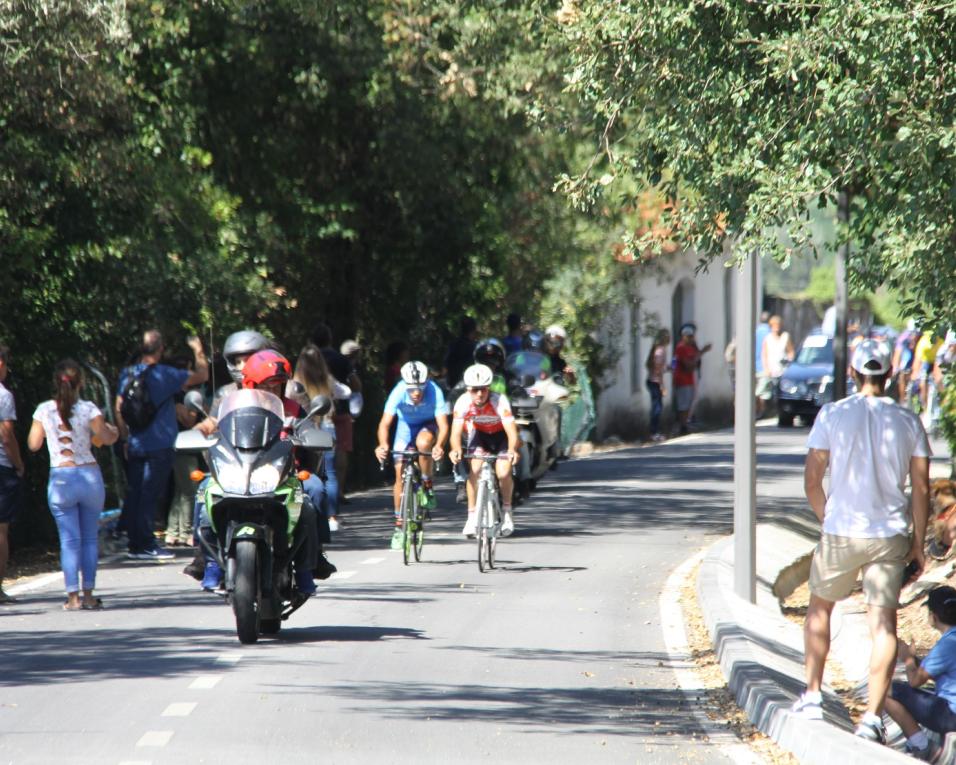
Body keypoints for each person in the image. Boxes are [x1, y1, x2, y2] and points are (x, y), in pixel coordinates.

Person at [791, 339, 930, 745]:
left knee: (820, 608)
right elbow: (920, 488)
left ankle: (813, 694)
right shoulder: (908, 421)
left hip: (841, 529)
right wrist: (918, 543)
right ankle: (871, 717)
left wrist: (827, 518)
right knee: (883, 624)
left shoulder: (833, 414)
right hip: (888, 534)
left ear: (852, 373)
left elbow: (812, 479)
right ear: (889, 375)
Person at [28, 360, 119, 610]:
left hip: (61, 478)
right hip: (88, 476)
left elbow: (33, 444)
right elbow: (107, 437)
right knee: (89, 538)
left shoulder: (43, 410)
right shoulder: (89, 409)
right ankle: (89, 595)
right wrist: (112, 431)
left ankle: (72, 598)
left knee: (68, 541)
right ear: (81, 383)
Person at [115, 330, 208, 560]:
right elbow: (202, 375)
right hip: (159, 444)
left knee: (137, 492)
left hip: (135, 442)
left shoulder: (127, 373)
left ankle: (135, 544)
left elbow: (119, 407)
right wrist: (198, 350)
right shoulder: (165, 375)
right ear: (161, 349)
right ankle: (146, 544)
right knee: (149, 493)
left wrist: (125, 437)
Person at [375, 361, 449, 549]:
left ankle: (427, 483)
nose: (416, 392)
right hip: (405, 429)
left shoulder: (434, 391)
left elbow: (443, 425)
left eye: (420, 388)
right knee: (399, 473)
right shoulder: (398, 391)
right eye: (412, 389)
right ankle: (399, 526)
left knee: (424, 444)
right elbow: (384, 424)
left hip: (427, 425)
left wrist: (439, 445)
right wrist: (383, 445)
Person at [884, 586, 956, 761]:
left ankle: (921, 745)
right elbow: (936, 671)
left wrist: (907, 659)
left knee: (884, 690)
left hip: (950, 715)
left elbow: (915, 681)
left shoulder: (947, 643)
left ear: (934, 616)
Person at [449, 364, 520, 538]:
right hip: (480, 436)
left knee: (503, 473)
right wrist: (456, 449)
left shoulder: (500, 401)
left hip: (501, 436)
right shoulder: (463, 402)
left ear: (488, 388)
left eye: (483, 389)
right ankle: (472, 517)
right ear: (468, 390)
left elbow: (512, 432)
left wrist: (512, 450)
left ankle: (507, 513)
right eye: (475, 390)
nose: (479, 394)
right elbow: (455, 434)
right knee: (475, 470)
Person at [290, 344, 350, 532]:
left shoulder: (295, 383)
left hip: (306, 430)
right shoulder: (326, 378)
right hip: (325, 427)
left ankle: (316, 521)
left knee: (313, 476)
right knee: (329, 473)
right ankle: (332, 517)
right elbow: (346, 392)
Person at [311, 323, 361, 506]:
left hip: (313, 412)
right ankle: (338, 490)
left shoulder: (308, 360)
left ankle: (320, 488)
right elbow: (355, 385)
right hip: (340, 410)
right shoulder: (341, 359)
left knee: (317, 451)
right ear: (330, 339)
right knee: (341, 449)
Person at [0, 345, 25, 603]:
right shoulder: (3, 395)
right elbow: (6, 436)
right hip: (1, 466)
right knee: (1, 529)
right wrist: (18, 464)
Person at [672, 323, 711, 435]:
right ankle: (682, 426)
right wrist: (701, 353)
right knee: (683, 404)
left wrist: (697, 355)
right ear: (683, 336)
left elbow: (694, 363)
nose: (690, 338)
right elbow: (688, 365)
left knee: (689, 403)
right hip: (682, 380)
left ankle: (686, 424)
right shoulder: (681, 348)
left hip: (690, 379)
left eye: (691, 336)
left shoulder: (691, 348)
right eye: (688, 336)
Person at [760, 314, 795, 402]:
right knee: (766, 393)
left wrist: (789, 362)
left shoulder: (785, 336)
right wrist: (766, 369)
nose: (776, 328)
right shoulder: (768, 338)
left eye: (778, 326)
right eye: (774, 326)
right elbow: (764, 354)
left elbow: (791, 351)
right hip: (771, 370)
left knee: (782, 393)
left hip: (783, 370)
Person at [645, 329, 670, 442]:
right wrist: (662, 386)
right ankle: (654, 432)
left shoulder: (656, 349)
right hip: (655, 381)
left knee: (656, 407)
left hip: (652, 380)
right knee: (657, 408)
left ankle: (654, 432)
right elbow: (658, 369)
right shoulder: (661, 350)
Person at [444, 316, 478, 389]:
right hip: (470, 384)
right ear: (474, 331)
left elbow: (446, 364)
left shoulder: (453, 345)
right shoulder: (474, 347)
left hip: (453, 384)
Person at [754, 312, 771, 417]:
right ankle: (761, 412)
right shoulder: (769, 333)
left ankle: (757, 411)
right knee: (762, 392)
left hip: (754, 365)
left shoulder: (755, 331)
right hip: (765, 366)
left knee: (757, 389)